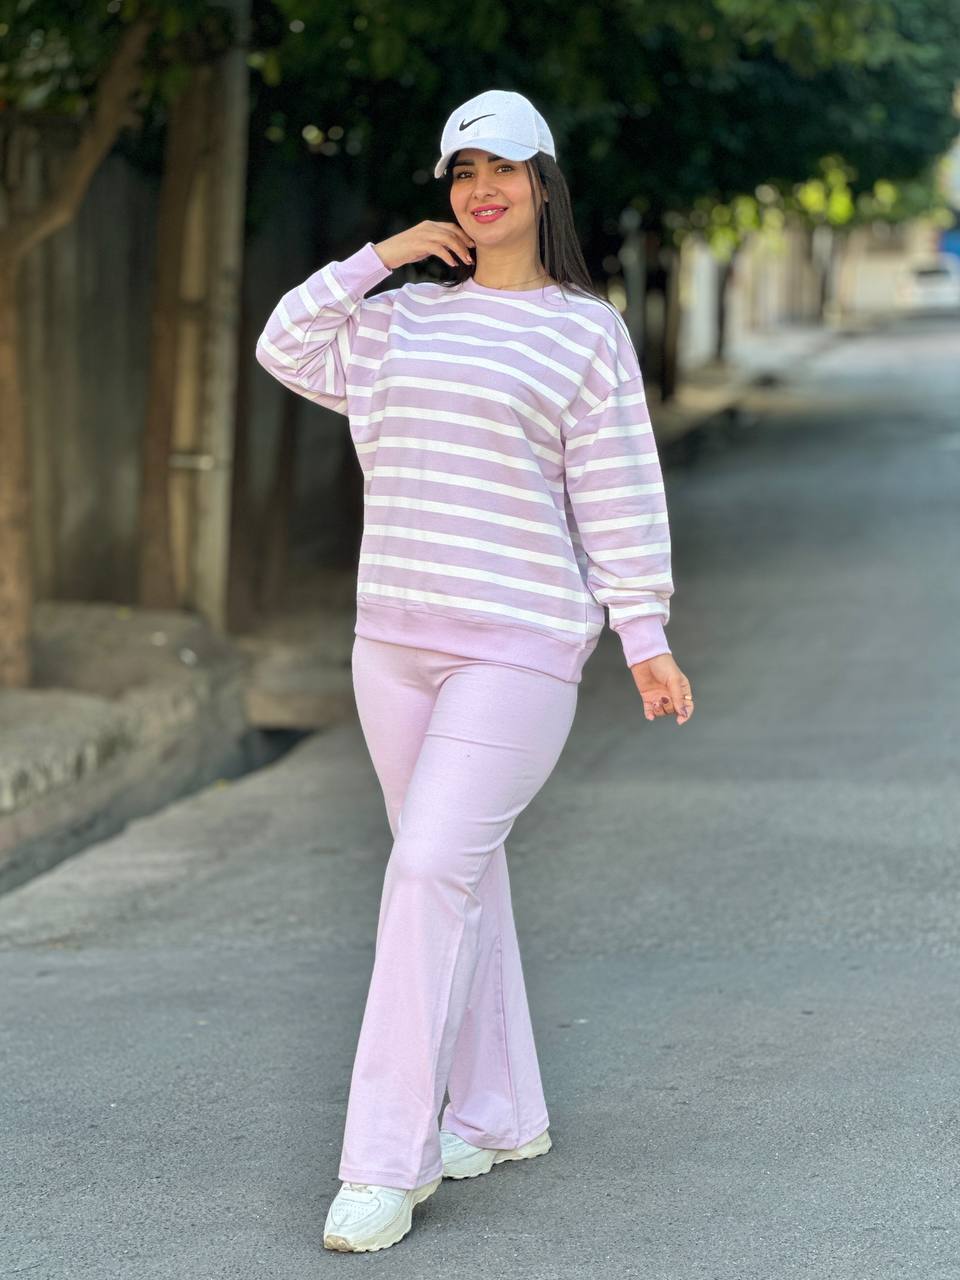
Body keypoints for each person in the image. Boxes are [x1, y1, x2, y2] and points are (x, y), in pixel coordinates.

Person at [255, 87, 695, 1253]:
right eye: (462, 172)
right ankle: (498, 1112)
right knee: (459, 873)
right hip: (393, 645)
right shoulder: (400, 319)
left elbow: (616, 486)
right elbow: (283, 341)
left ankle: (383, 1162)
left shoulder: (584, 332)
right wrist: (383, 256)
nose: (481, 189)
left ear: (544, 184)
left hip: (520, 644)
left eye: (503, 168)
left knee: (425, 871)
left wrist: (642, 632)